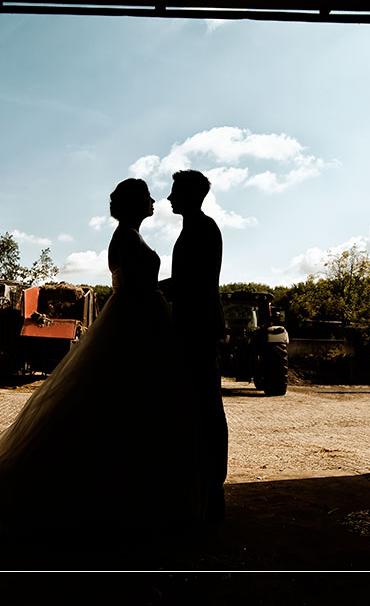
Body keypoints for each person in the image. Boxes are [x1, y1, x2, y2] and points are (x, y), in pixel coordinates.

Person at [0, 178, 203, 540]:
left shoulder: (129, 236)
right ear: (132, 204)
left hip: (140, 317)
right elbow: (137, 286)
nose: (154, 201)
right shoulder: (126, 237)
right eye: (147, 197)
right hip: (136, 321)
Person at [165, 169, 228, 521]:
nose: (170, 198)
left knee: (206, 405)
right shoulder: (194, 228)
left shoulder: (203, 229)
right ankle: (201, 482)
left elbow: (192, 283)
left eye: (175, 192)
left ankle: (212, 485)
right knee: (198, 404)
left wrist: (152, 287)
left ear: (191, 195)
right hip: (193, 326)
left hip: (198, 327)